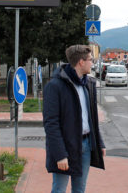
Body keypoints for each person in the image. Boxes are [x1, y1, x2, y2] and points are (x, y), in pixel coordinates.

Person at [43, 45, 106, 193]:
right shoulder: (55, 86)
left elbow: (92, 117)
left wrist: (99, 142)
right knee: (59, 189)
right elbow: (51, 124)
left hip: (86, 144)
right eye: (91, 60)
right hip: (64, 146)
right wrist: (60, 155)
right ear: (81, 62)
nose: (93, 63)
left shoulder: (88, 84)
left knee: (79, 189)